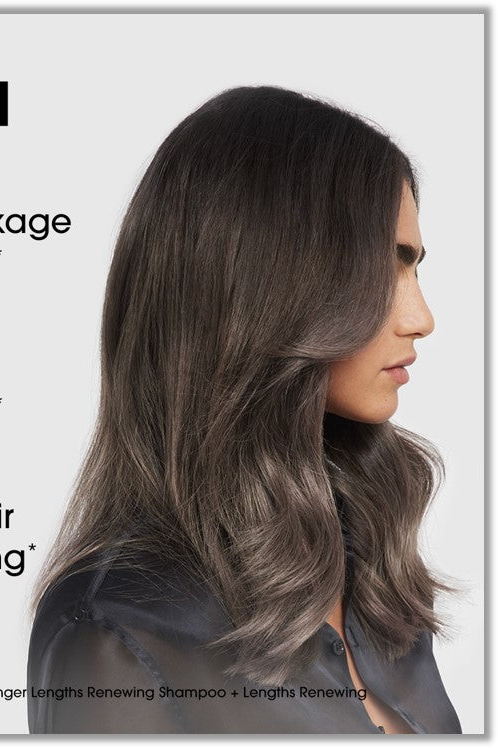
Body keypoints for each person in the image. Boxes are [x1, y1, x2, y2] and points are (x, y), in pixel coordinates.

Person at [25, 85, 463, 734]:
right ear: (268, 286)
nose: (421, 318)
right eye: (383, 271)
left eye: (415, 270)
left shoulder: (371, 579)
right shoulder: (118, 635)